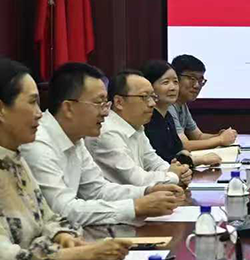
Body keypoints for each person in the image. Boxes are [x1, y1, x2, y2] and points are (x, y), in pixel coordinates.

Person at [0, 58, 129, 260]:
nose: (40, 113)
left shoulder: (14, 157)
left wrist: (62, 236)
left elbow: (49, 218)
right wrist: (82, 254)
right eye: (32, 102)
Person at [21, 63, 186, 227]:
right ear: (68, 108)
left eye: (106, 103)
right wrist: (135, 207)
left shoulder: (76, 137)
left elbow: (97, 190)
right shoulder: (37, 143)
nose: (106, 112)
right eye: (99, 103)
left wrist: (146, 191)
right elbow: (62, 210)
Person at [89, 69, 193, 188]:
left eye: (153, 96)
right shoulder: (107, 132)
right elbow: (136, 180)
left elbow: (153, 162)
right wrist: (173, 176)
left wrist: (179, 172)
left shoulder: (136, 126)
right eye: (144, 97)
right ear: (119, 102)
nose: (152, 103)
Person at [141, 59, 216, 166]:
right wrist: (200, 160)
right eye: (166, 82)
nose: (173, 88)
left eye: (175, 82)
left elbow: (178, 150)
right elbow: (161, 161)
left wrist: (184, 155)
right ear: (150, 87)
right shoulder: (148, 119)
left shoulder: (167, 116)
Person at [169, 54, 238, 155]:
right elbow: (184, 145)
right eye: (191, 78)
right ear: (176, 78)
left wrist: (219, 136)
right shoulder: (168, 106)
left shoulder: (182, 104)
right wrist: (220, 139)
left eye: (200, 80)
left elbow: (198, 136)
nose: (197, 85)